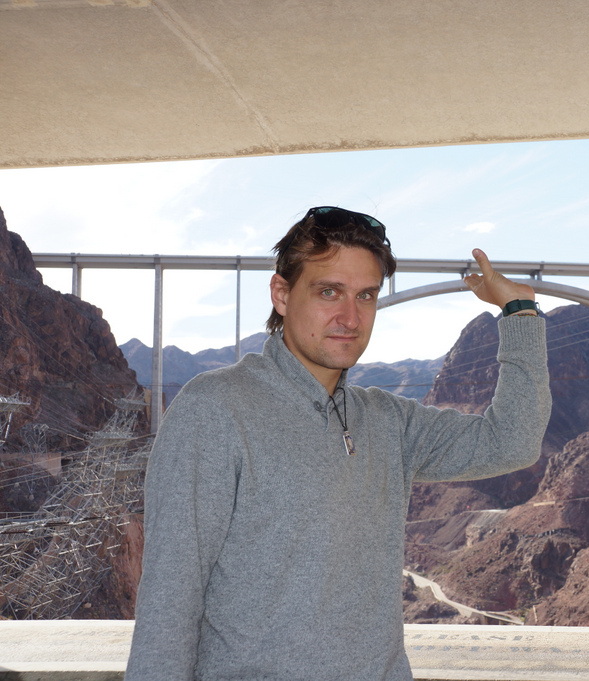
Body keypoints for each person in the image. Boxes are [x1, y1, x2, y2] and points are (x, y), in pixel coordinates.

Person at [125, 206, 551, 680]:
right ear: (281, 294)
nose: (350, 317)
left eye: (366, 296)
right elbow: (170, 597)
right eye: (329, 292)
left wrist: (520, 311)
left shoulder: (388, 420)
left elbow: (511, 442)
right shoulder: (215, 409)